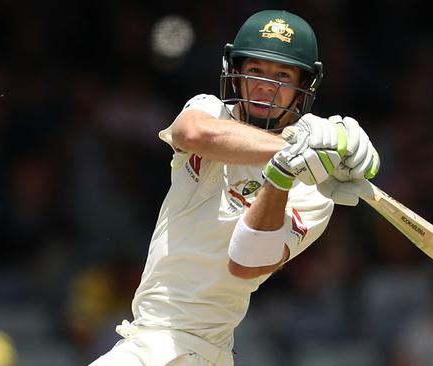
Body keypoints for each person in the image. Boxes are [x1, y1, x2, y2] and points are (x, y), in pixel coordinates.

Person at [89, 9, 379, 366]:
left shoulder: (314, 191)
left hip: (190, 349)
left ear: (303, 86)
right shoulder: (209, 110)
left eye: (282, 75)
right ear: (235, 73)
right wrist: (292, 149)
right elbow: (192, 134)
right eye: (255, 70)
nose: (265, 86)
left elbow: (246, 263)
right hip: (153, 340)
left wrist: (284, 174)